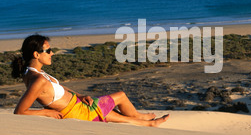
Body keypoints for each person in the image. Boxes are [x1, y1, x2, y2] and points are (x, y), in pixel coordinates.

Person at [11, 34, 169, 127]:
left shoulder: (33, 73)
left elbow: (58, 88)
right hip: (77, 112)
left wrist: (80, 95)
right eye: (48, 50)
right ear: (36, 55)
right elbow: (19, 111)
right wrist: (46, 113)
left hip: (79, 104)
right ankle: (145, 121)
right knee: (120, 98)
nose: (52, 53)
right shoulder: (38, 80)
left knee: (113, 112)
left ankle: (141, 118)